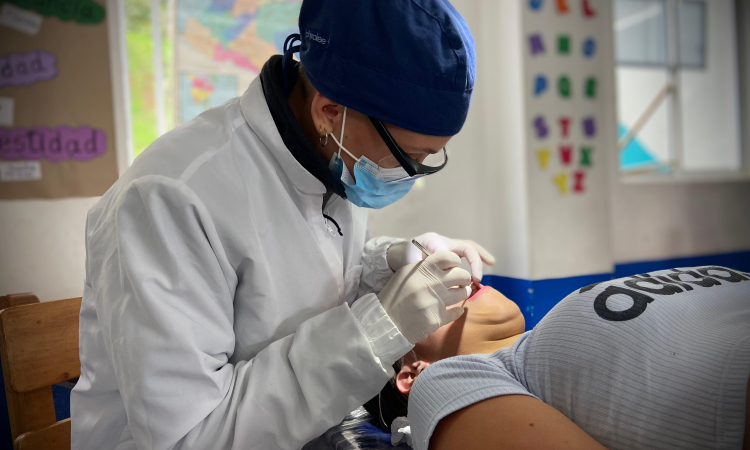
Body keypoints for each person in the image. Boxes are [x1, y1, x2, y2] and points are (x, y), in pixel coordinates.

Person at [70, 1, 496, 449]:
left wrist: (386, 262)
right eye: (409, 155)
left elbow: (303, 271)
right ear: (329, 112)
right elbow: (191, 437)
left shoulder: (328, 157)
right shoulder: (171, 198)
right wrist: (381, 326)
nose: (411, 173)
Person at [364, 266, 750, 450]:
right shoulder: (447, 381)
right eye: (419, 302)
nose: (457, 281)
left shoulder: (542, 342)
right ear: (411, 373)